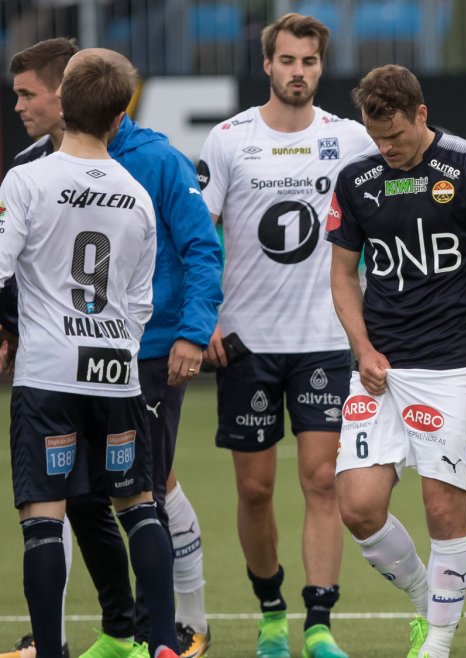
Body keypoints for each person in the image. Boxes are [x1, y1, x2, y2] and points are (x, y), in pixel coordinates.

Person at [4, 39, 223, 658]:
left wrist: (27, 328)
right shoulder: (132, 191)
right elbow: (138, 297)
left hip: (58, 369)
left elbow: (2, 270)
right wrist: (119, 344)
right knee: (131, 504)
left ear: (64, 101)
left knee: (48, 515)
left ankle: (61, 646)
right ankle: (154, 638)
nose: (19, 105)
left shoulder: (31, 177)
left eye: (28, 94)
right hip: (118, 365)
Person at [328, 63, 466, 658]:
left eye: (395, 136)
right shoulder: (356, 178)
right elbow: (342, 275)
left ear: (421, 114)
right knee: (358, 508)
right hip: (381, 368)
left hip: (451, 365)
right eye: (375, 137)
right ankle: (424, 597)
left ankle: (437, 640)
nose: (385, 148)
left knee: (443, 509)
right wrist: (363, 348)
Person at [197, 13, 372, 658]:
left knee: (322, 481)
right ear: (268, 64)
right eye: (288, 61)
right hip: (246, 341)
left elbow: (415, 166)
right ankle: (270, 608)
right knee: (255, 489)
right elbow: (199, 236)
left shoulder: (349, 139)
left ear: (321, 67)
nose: (299, 72)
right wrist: (205, 318)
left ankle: (319, 623)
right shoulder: (228, 139)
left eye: (310, 62)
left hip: (324, 338)